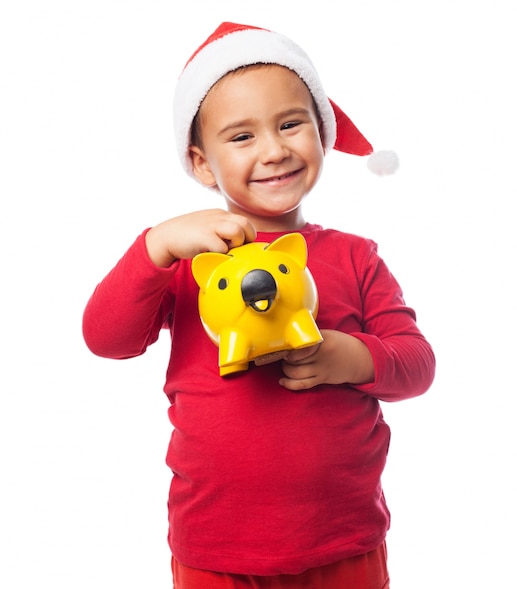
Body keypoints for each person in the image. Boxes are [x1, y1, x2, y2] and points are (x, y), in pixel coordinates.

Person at [82, 21, 435, 589]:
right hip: (217, 547)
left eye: (291, 124)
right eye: (242, 137)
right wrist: (154, 246)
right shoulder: (186, 262)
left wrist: (350, 357)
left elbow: (417, 365)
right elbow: (106, 339)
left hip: (343, 540)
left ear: (322, 133)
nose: (274, 150)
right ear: (201, 163)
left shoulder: (355, 257)